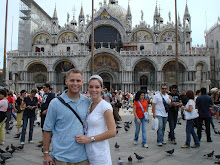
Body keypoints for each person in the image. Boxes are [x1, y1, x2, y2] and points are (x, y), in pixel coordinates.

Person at [43, 69, 91, 165]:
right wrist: (46, 154)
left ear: (82, 82)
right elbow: (47, 130)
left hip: (83, 156)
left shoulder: (87, 102)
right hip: (61, 157)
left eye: (78, 81)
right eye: (72, 80)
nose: (75, 83)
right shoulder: (55, 103)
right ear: (66, 81)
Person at [75, 75, 116, 165]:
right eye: (91, 87)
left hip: (100, 155)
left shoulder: (105, 106)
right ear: (88, 88)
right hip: (88, 153)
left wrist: (89, 139)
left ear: (102, 88)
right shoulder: (89, 104)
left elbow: (112, 132)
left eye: (97, 87)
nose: (94, 90)